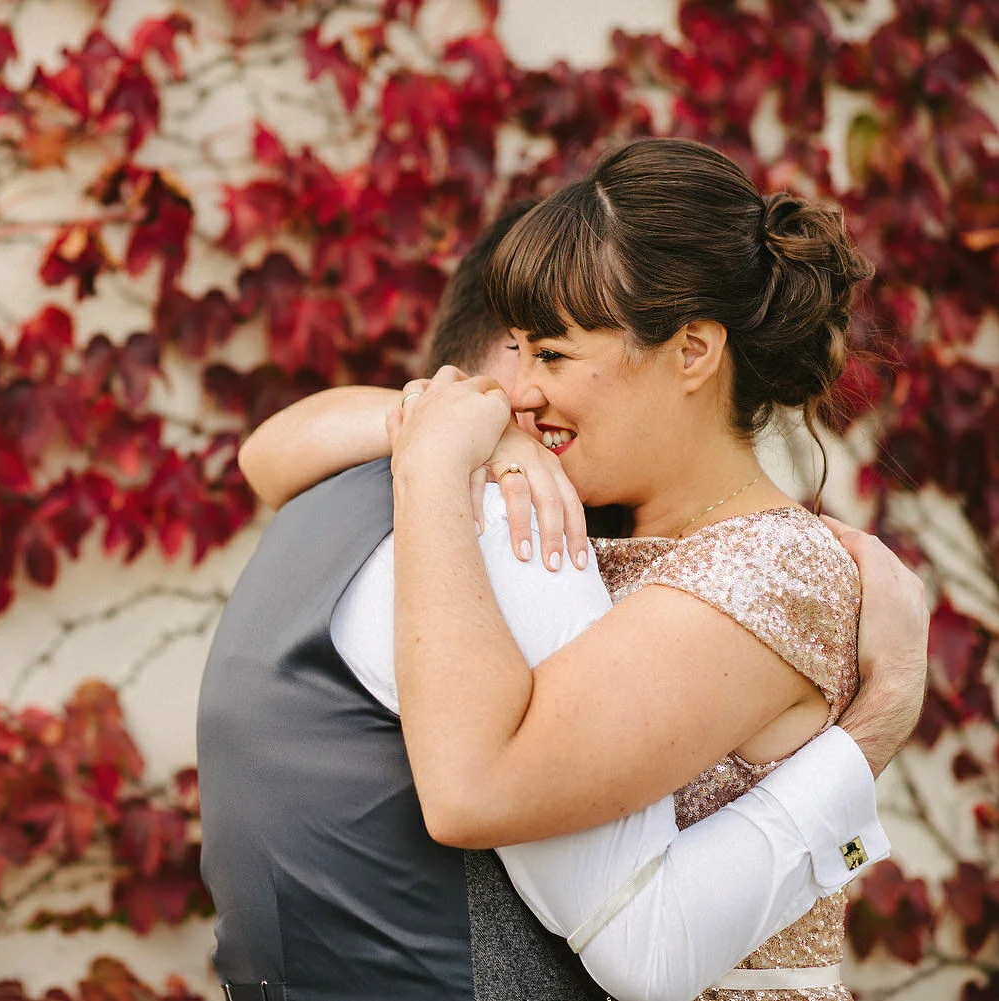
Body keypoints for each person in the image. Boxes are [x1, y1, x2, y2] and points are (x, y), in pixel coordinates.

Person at [199, 161, 928, 1001]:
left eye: (550, 352)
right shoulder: (594, 518)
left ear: (691, 351)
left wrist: (881, 717)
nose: (523, 389)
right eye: (515, 353)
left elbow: (481, 792)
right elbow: (269, 454)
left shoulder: (770, 565)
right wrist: (465, 431)